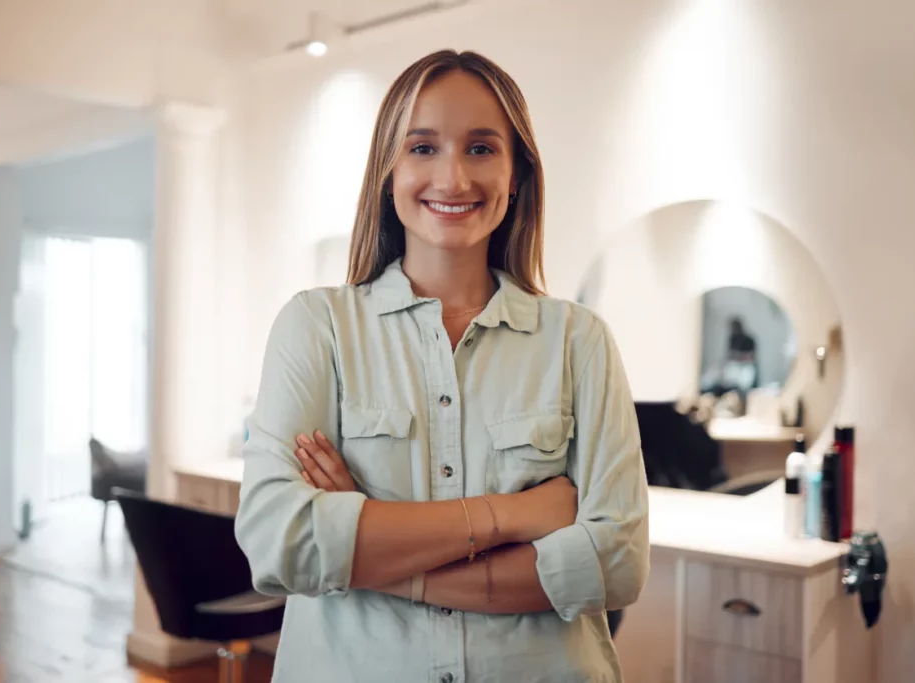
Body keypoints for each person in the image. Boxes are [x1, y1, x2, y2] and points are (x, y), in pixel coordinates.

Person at [235, 49, 650, 683]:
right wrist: (512, 516)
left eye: (482, 148)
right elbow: (278, 545)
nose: (453, 179)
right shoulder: (317, 327)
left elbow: (615, 566)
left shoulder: (578, 341)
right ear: (387, 171)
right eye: (422, 147)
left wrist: (370, 544)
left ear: (517, 177)